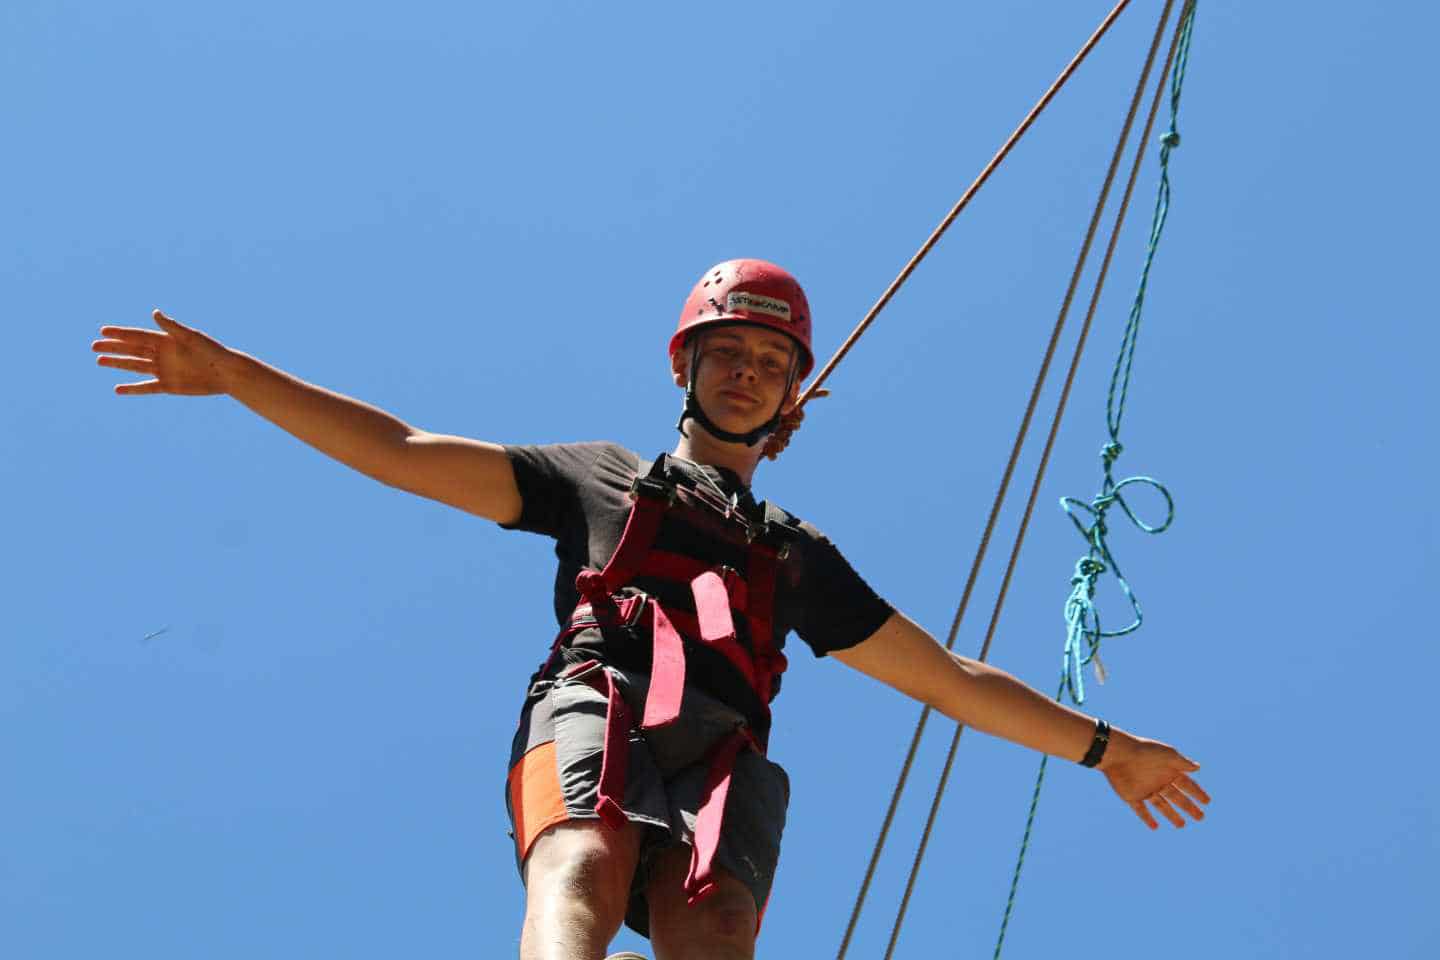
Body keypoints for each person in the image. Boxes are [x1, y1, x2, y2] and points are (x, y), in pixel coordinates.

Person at [92, 259, 1210, 960]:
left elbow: (948, 678)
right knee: (584, 860)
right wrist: (239, 376)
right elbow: (406, 452)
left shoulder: (797, 559)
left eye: (771, 362)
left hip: (723, 750)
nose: (746, 373)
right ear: (686, 366)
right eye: (726, 351)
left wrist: (1103, 749)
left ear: (791, 402)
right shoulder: (600, 481)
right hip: (604, 702)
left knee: (717, 926)